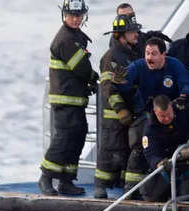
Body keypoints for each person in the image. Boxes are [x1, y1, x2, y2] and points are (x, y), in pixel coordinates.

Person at [113, 37, 189, 193]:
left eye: (153, 54)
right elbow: (120, 83)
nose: (149, 58)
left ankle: (173, 184)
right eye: (147, 53)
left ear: (163, 55)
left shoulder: (175, 65)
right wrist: (119, 81)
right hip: (147, 114)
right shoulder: (138, 66)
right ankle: (131, 187)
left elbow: (187, 84)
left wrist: (183, 97)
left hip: (171, 113)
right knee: (139, 140)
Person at [39, 0, 98, 196]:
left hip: (74, 98)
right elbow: (81, 68)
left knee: (78, 135)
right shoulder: (65, 39)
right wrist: (93, 78)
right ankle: (46, 177)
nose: (75, 19)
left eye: (78, 15)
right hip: (65, 99)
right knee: (63, 138)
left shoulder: (75, 36)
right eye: (72, 15)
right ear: (64, 15)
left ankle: (66, 180)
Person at [94, 13, 141, 198]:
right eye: (132, 32)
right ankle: (100, 186)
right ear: (121, 35)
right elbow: (109, 88)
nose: (136, 34)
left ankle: (122, 184)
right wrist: (121, 110)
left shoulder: (130, 54)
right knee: (109, 151)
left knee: (125, 150)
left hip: (130, 114)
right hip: (115, 117)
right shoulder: (112, 57)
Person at [141, 95, 189, 201]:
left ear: (171, 107)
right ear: (155, 112)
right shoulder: (150, 129)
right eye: (163, 116)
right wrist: (159, 163)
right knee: (152, 194)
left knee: (188, 199)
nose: (167, 118)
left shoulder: (183, 110)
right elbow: (150, 153)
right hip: (168, 166)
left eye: (169, 114)